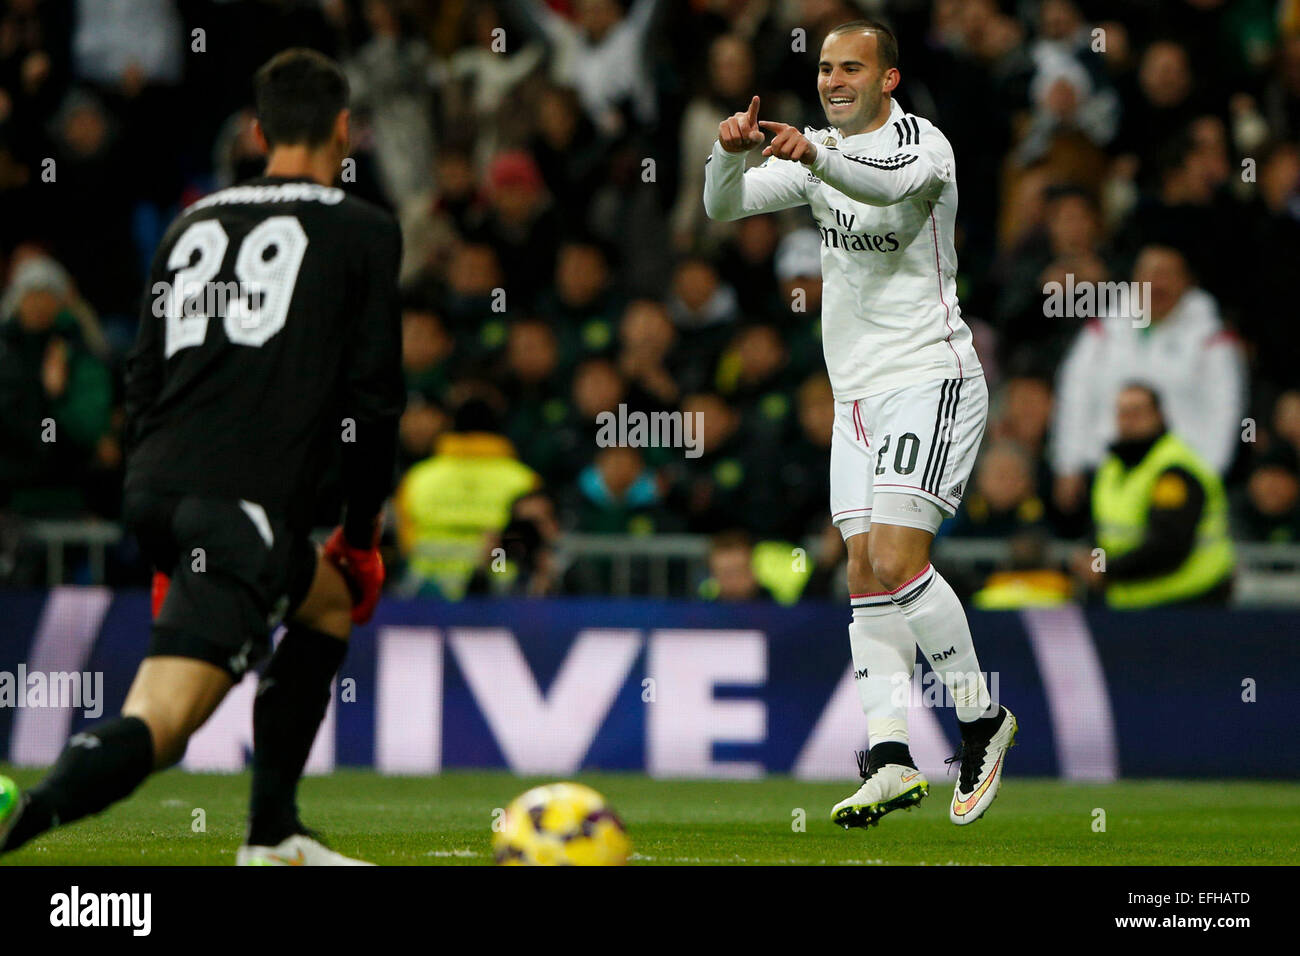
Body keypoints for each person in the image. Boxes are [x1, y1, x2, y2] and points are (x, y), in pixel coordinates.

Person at [0, 49, 404, 865]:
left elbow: (142, 379)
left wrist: (158, 515)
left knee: (321, 608)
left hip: (163, 490)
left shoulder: (192, 224)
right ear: (342, 132)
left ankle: (274, 834)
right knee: (165, 725)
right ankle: (18, 829)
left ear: (256, 133)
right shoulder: (361, 230)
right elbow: (374, 404)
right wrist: (361, 534)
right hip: (236, 508)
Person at [703, 18, 1016, 829]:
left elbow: (878, 187)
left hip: (930, 377)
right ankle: (888, 756)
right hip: (856, 398)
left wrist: (816, 158)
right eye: (824, 69)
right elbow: (722, 206)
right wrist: (728, 148)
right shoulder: (816, 152)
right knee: (862, 573)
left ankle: (981, 718)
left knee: (894, 556)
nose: (833, 81)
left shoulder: (925, 148)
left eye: (852, 69)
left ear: (889, 80)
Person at [1072, 383, 1234, 608]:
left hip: (1188, 602)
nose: (1129, 419)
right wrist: (1090, 560)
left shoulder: (1175, 470)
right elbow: (1102, 530)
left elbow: (1168, 545)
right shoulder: (1112, 467)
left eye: (1138, 411)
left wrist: (1107, 571)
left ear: (1159, 415)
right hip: (1133, 602)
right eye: (1123, 412)